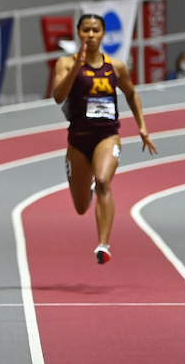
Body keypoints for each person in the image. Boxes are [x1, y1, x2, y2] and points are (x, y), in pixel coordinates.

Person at [52, 14, 157, 264]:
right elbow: (58, 96)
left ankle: (103, 244)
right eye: (86, 30)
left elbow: (132, 95)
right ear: (79, 33)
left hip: (107, 136)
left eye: (95, 30)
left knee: (103, 181)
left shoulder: (116, 66)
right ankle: (87, 188)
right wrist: (77, 66)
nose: (90, 35)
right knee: (80, 207)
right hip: (77, 140)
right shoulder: (66, 64)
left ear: (102, 34)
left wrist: (142, 126)